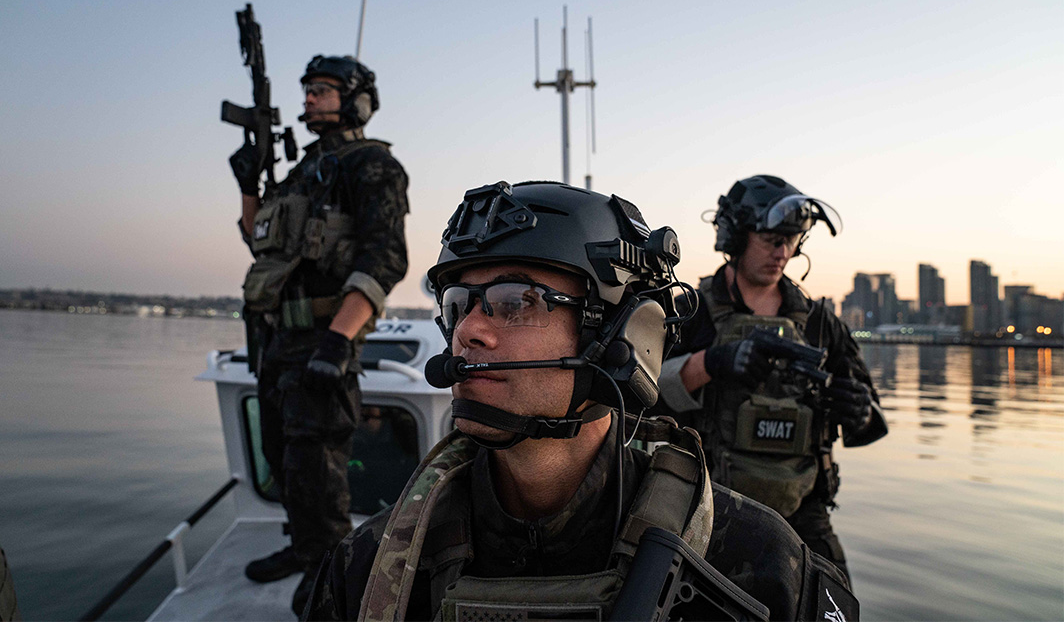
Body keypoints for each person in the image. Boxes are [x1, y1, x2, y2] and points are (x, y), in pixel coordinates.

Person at [303, 180, 858, 622]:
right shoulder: (369, 569)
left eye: (516, 301)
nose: (468, 332)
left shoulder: (760, 566)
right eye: (459, 304)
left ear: (622, 335)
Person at [229, 54, 409, 614]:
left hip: (323, 335)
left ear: (354, 100)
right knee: (280, 454)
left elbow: (387, 258)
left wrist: (339, 340)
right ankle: (303, 546)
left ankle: (330, 573)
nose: (308, 98)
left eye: (323, 90)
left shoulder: (370, 165)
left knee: (317, 465)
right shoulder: (302, 172)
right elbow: (259, 241)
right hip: (277, 341)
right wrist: (249, 182)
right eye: (307, 90)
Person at [653, 174, 887, 582]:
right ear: (737, 237)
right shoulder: (689, 312)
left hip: (804, 517)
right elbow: (642, 397)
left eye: (792, 240)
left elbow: (871, 424)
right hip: (706, 509)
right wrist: (713, 362)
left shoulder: (820, 325)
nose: (783, 251)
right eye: (771, 239)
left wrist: (858, 409)